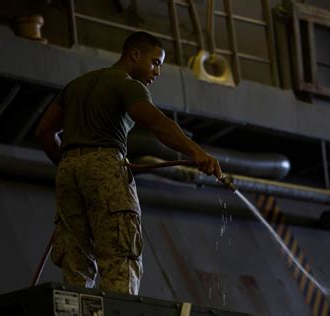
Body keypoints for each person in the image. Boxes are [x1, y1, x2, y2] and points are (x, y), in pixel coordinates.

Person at [36, 31, 222, 295]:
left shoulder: (75, 86)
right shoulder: (127, 84)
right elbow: (157, 123)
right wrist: (197, 153)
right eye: (155, 62)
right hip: (106, 166)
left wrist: (71, 165)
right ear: (135, 55)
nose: (157, 71)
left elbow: (44, 132)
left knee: (75, 263)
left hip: (68, 170)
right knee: (119, 258)